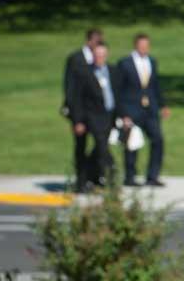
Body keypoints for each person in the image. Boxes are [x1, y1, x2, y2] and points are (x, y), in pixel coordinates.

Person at [115, 33, 169, 187]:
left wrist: (162, 105)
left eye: (147, 45)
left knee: (158, 140)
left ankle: (152, 176)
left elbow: (155, 86)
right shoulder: (125, 63)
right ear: (136, 45)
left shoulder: (152, 61)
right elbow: (119, 90)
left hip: (150, 110)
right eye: (141, 45)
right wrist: (123, 113)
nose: (144, 48)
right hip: (131, 110)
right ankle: (130, 177)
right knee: (132, 143)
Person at [69, 42, 117, 189]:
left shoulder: (113, 70)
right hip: (91, 117)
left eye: (102, 55)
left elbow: (118, 94)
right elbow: (76, 98)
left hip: (109, 116)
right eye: (97, 55)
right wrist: (78, 121)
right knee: (101, 147)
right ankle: (111, 175)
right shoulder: (84, 72)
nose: (100, 58)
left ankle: (89, 177)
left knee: (99, 148)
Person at [64, 28, 104, 191]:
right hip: (80, 111)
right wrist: (76, 117)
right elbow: (70, 89)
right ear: (88, 41)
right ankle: (81, 181)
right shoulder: (76, 59)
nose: (98, 45)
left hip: (97, 113)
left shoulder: (100, 59)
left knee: (101, 145)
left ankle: (93, 176)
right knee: (80, 146)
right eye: (96, 41)